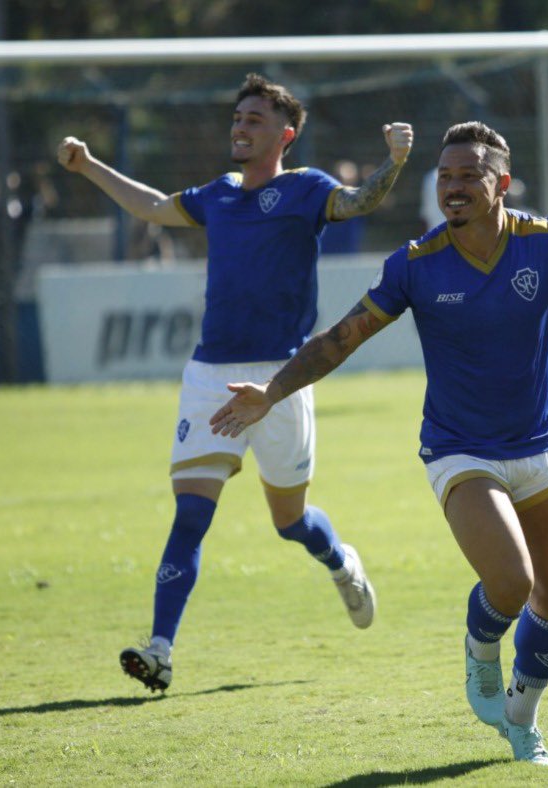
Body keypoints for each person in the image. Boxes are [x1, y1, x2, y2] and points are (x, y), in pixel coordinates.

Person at [210, 121, 548, 766]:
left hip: (540, 445)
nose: (454, 187)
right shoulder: (415, 263)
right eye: (446, 177)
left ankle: (523, 718)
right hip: (459, 449)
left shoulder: (546, 240)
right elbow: (339, 340)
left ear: (502, 183)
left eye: (469, 175)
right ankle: (480, 650)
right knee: (511, 581)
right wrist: (272, 390)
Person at [57, 73, 413, 693]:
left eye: (254, 119)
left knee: (290, 521)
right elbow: (150, 206)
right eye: (238, 117)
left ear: (286, 134)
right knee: (190, 516)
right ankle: (160, 649)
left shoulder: (307, 189)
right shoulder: (217, 195)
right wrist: (89, 166)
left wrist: (396, 160)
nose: (240, 127)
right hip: (210, 376)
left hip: (282, 378)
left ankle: (339, 561)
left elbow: (361, 203)